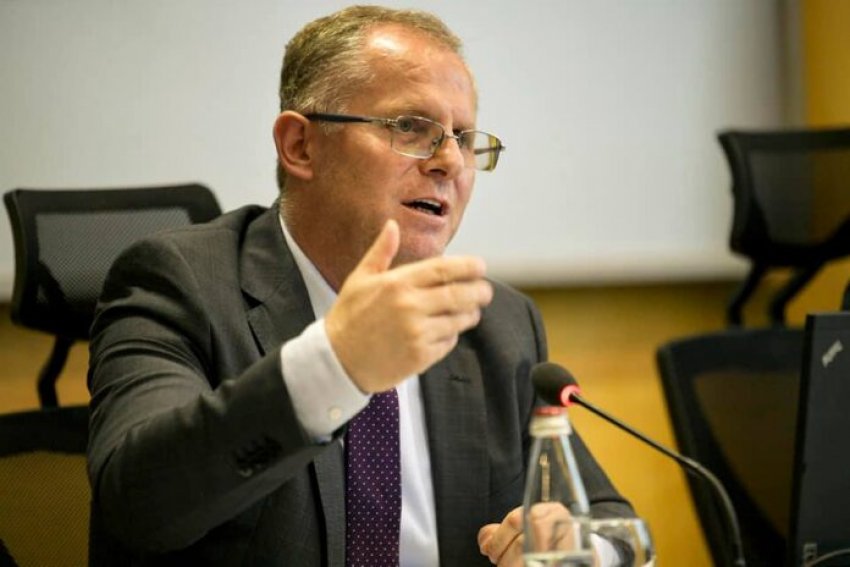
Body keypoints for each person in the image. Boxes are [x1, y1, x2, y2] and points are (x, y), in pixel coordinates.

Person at [86, 5, 634, 566]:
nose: (450, 162)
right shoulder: (180, 285)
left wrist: (581, 551)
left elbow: (611, 524)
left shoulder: (495, 323)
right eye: (410, 127)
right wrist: (336, 367)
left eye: (464, 138)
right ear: (300, 145)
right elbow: (139, 504)